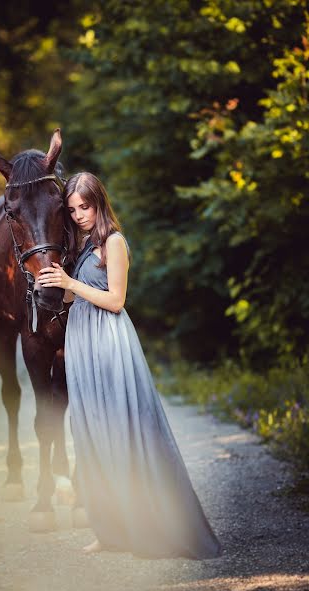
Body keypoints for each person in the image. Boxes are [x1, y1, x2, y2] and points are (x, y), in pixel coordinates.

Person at [37, 172, 222, 559]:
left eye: (84, 207)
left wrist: (71, 283)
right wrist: (52, 287)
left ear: (99, 202)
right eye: (71, 210)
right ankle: (109, 532)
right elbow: (75, 302)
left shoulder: (114, 243)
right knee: (90, 435)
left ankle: (150, 528)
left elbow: (116, 300)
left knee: (122, 432)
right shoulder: (83, 245)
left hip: (109, 342)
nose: (78, 215)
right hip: (82, 342)